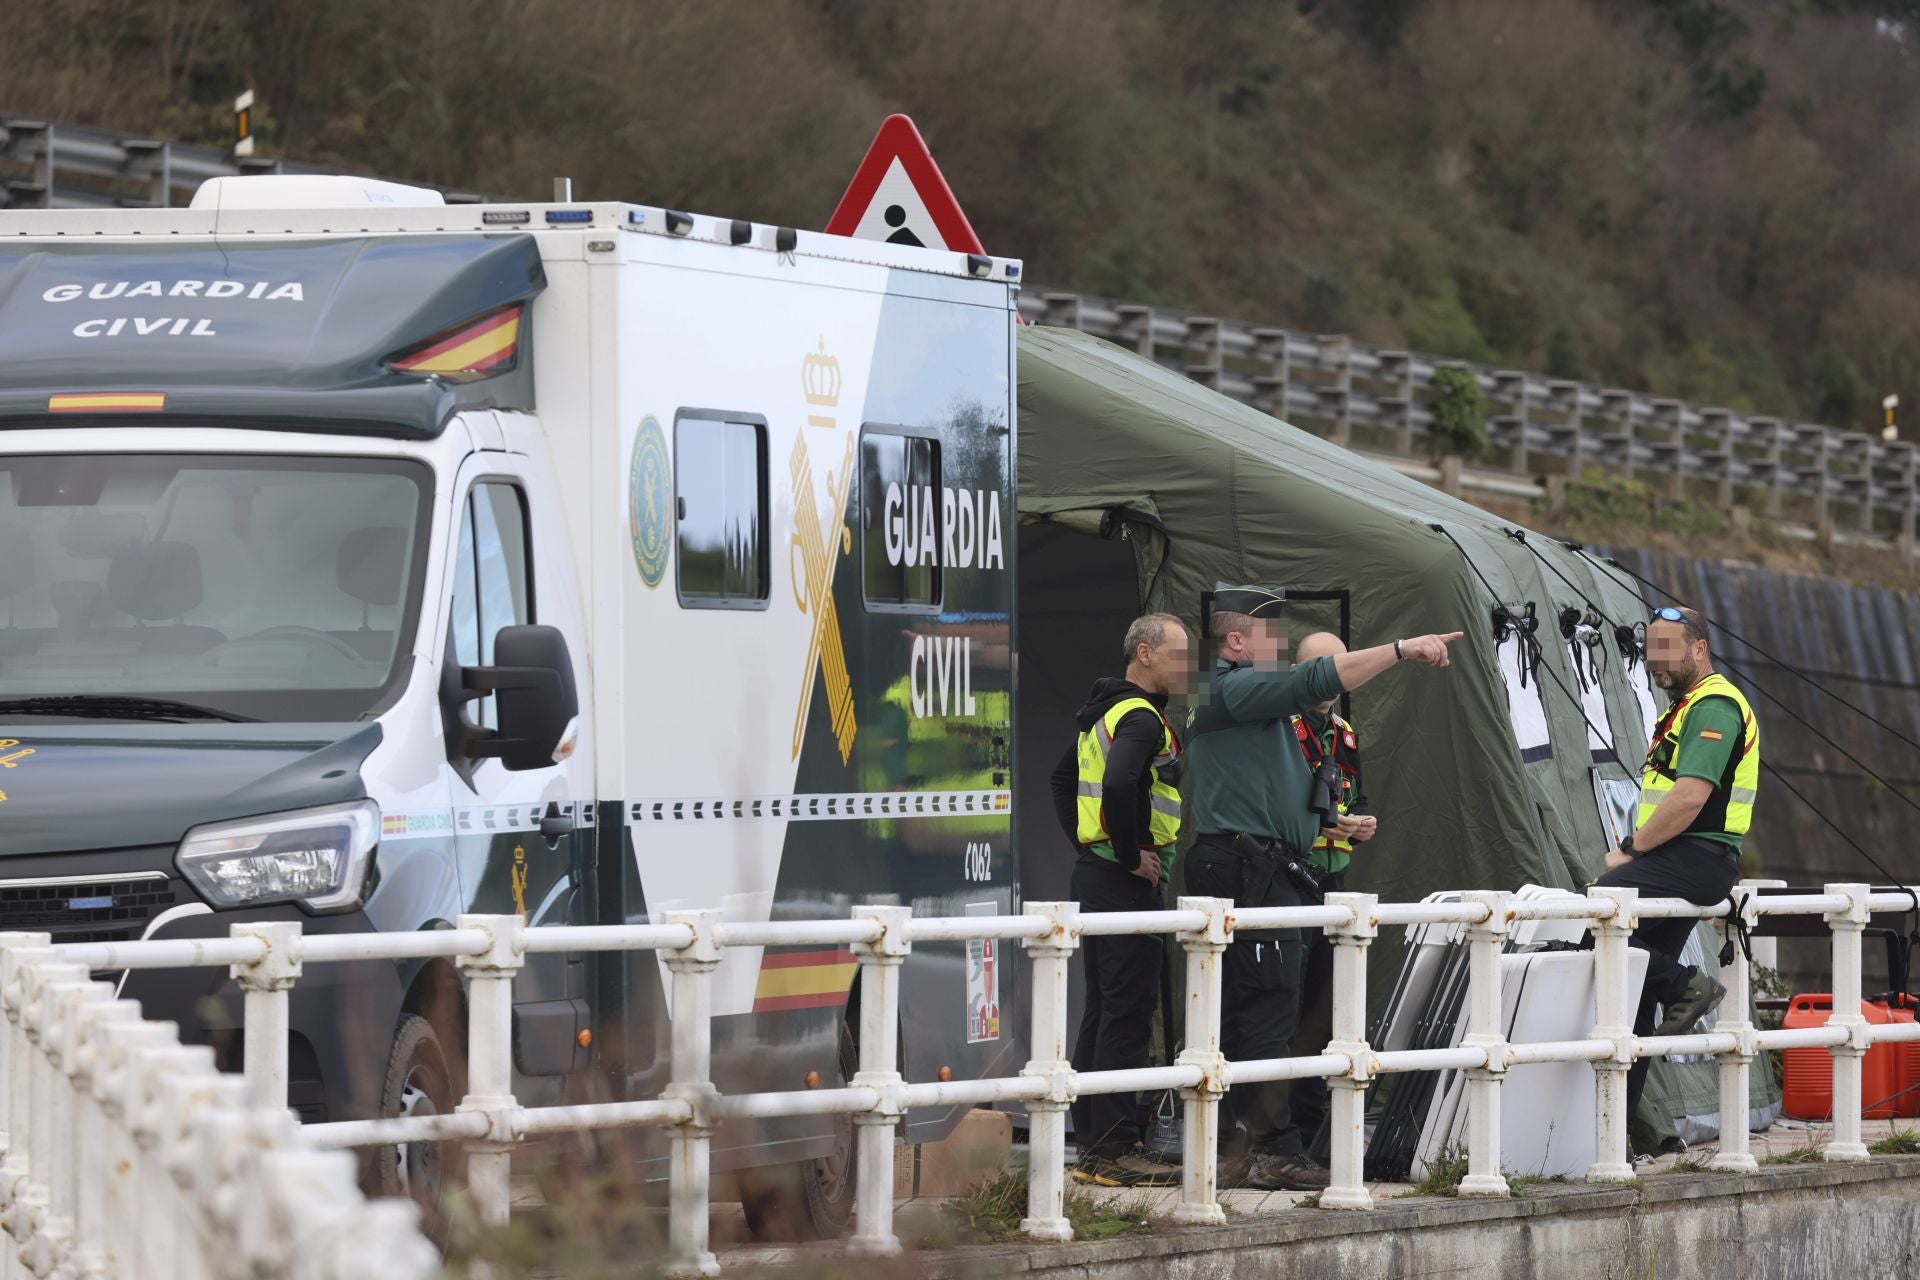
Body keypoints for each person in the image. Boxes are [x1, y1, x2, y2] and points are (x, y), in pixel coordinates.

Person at [1185, 586, 1459, 1192]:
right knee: (1266, 1007)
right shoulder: (1232, 685)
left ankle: (1244, 1144)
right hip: (1245, 865)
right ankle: (1268, 1149)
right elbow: (1316, 678)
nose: (1278, 650)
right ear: (1236, 641)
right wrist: (1402, 649)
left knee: (1266, 1004)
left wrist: (1324, 823)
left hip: (1266, 864)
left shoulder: (1244, 698)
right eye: (1270, 637)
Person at [1597, 605, 1759, 1136]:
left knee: (1602, 917)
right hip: (1686, 860)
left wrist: (1631, 849)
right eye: (1650, 649)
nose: (1655, 659)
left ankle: (1690, 984)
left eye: (1668, 647)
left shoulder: (1713, 705)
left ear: (1698, 648)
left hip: (1695, 858)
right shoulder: (1689, 705)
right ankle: (1620, 1132)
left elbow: (1690, 797)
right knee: (1635, 989)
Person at [1049, 612, 1190, 1187]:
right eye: (1178, 653)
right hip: (1124, 880)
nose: (1187, 666)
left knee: (1104, 1010)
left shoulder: (1103, 714)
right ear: (1146, 654)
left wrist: (1091, 846)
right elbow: (1118, 784)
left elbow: (1063, 782)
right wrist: (1129, 854)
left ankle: (1097, 1144)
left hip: (1097, 876)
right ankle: (1114, 1148)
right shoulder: (1138, 716)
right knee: (1126, 1012)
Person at [1284, 631, 1375, 1138]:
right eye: (1323, 666)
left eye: (1341, 665)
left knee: (1326, 1004)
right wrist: (1324, 824)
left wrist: (1361, 824)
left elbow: (1355, 800)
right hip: (1290, 878)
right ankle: (1283, 1131)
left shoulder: (1345, 731)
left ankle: (1314, 1129)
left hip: (1334, 884)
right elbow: (1277, 807)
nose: (1333, 677)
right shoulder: (1281, 727)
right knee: (1286, 1003)